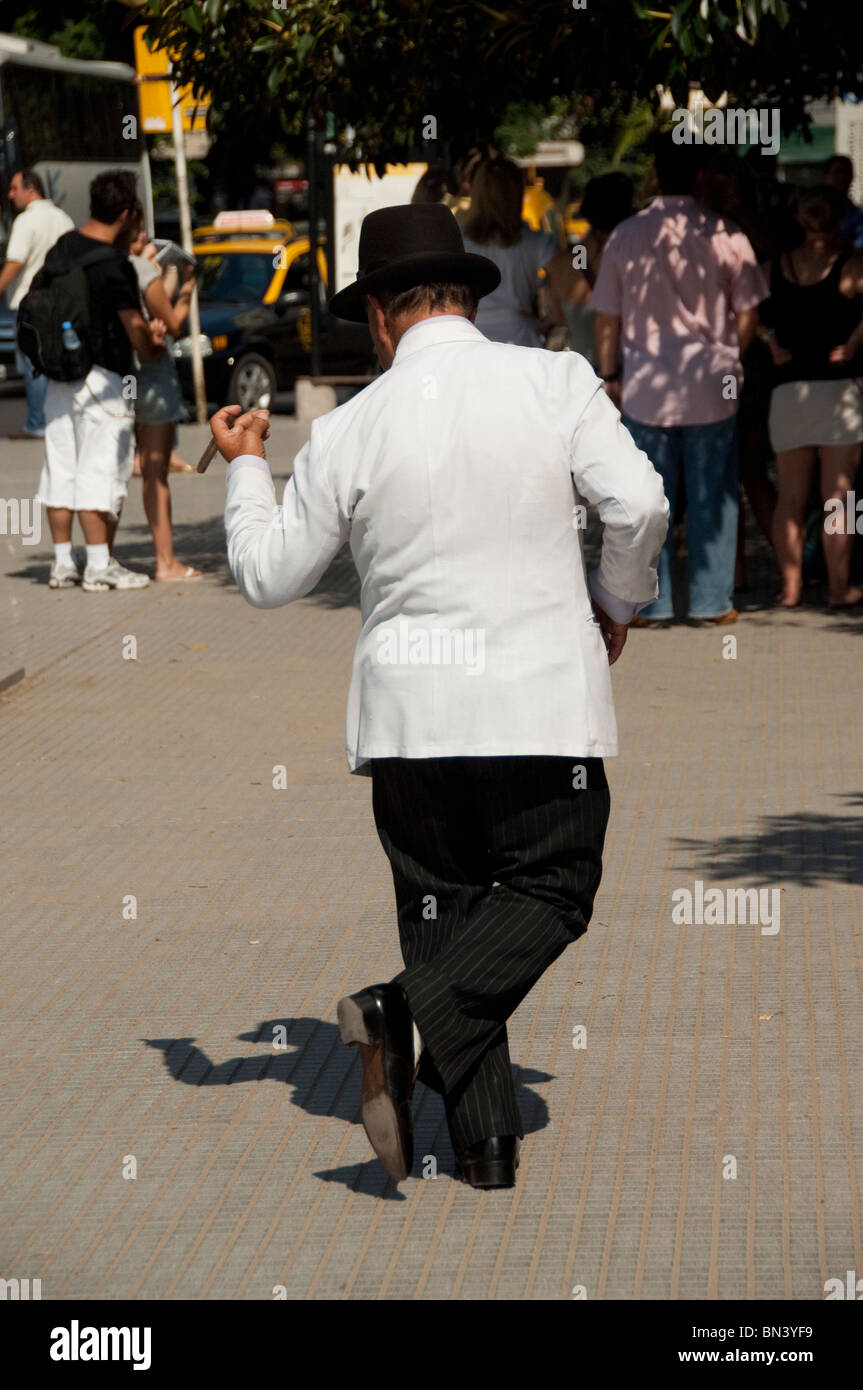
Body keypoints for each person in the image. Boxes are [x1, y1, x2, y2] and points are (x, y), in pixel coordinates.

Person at [213, 202, 668, 1189]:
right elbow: (639, 503)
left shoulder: (345, 429)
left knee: (447, 911)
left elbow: (267, 576)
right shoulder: (554, 381)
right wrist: (615, 599)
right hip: (538, 703)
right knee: (551, 886)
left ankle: (479, 1142)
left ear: (379, 315)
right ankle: (404, 1022)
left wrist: (248, 466)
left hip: (410, 718)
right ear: (466, 293)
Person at [592, 132, 767, 626]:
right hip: (713, 385)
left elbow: (607, 316)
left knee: (649, 498)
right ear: (699, 177)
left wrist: (609, 374)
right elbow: (749, 309)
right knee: (716, 492)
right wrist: (733, 354)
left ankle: (653, 601)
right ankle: (713, 601)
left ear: (653, 175)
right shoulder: (727, 233)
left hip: (647, 387)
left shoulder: (625, 235)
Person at [35, 170, 167, 592]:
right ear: (127, 213)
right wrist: (155, 341)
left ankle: (61, 564)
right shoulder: (115, 264)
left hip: (60, 375)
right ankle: (97, 566)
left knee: (60, 469)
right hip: (104, 381)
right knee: (99, 471)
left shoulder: (62, 248)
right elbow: (135, 331)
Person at [759, 185, 863, 609]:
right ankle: (839, 589)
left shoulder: (773, 268)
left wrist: (770, 343)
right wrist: (855, 342)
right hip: (840, 392)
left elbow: (741, 312)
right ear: (839, 221)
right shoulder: (852, 266)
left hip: (789, 394)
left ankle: (790, 588)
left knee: (790, 497)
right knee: (839, 496)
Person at [127, 225, 202, 581]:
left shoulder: (115, 270)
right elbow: (172, 322)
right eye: (141, 232)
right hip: (154, 377)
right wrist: (188, 285)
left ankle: (100, 558)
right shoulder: (139, 270)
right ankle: (166, 562)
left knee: (123, 469)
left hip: (122, 380)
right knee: (156, 474)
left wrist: (170, 274)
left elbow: (157, 302)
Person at [460, 157, 570, 348]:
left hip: (471, 338)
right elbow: (567, 288)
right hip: (521, 338)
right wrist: (546, 324)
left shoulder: (458, 243)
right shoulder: (537, 242)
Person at [0, 169, 74, 440]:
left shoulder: (26, 221)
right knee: (54, 360)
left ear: (30, 189)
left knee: (33, 364)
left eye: (14, 188)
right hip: (58, 302)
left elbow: (16, 261)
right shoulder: (63, 218)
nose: (10, 194)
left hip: (31, 304)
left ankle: (36, 423)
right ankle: (57, 419)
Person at [546, 172, 634, 367]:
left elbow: (559, 319)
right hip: (628, 372)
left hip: (584, 374)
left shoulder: (562, 262)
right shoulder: (636, 260)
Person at [823, 154, 863, 252]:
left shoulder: (857, 215)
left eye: (846, 173)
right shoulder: (812, 209)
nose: (842, 177)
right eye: (837, 172)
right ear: (825, 176)